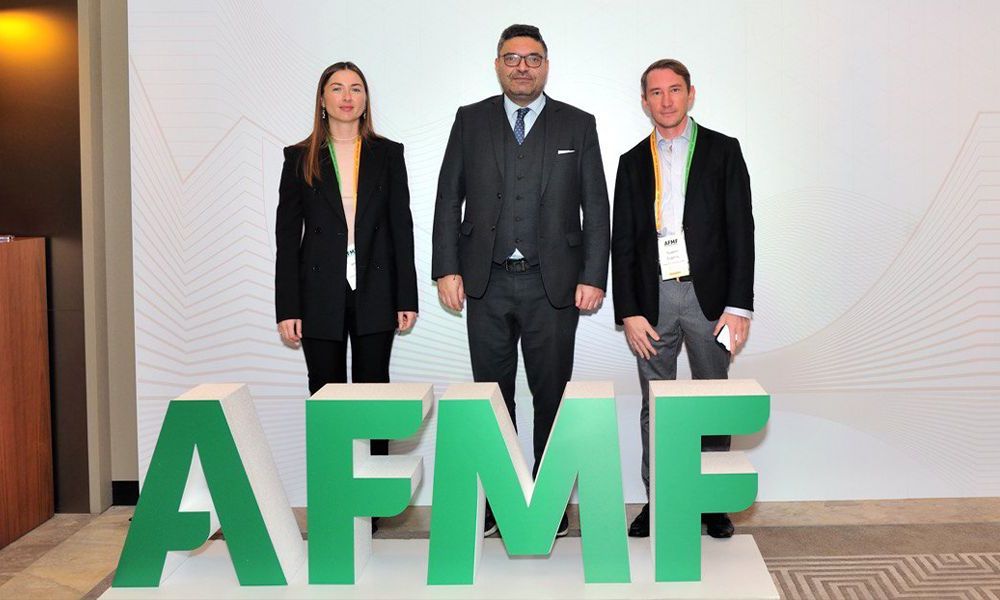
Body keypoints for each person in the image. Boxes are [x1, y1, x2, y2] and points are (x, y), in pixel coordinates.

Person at [431, 24, 610, 538]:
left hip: (553, 285)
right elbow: (448, 197)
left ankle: (549, 504)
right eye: (512, 58)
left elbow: (596, 206)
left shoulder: (577, 124)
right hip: (484, 282)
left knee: (551, 395)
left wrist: (593, 275)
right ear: (498, 65)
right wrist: (446, 267)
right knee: (493, 396)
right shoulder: (470, 120)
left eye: (532, 58)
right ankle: (501, 501)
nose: (522, 67)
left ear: (546, 65)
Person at [611, 59, 754, 539]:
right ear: (644, 101)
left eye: (674, 90)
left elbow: (741, 229)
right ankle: (660, 501)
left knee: (712, 401)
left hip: (708, 298)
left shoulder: (723, 150)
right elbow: (622, 242)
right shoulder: (632, 161)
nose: (666, 100)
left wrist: (739, 306)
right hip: (651, 299)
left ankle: (711, 501)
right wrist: (629, 311)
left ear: (691, 94)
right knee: (655, 405)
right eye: (656, 92)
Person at [275, 62, 418, 533]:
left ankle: (372, 504)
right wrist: (287, 307)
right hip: (318, 292)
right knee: (327, 395)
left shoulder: (387, 154)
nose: (347, 96)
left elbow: (401, 228)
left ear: (365, 99)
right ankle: (334, 501)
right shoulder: (299, 157)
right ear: (322, 99)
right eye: (336, 88)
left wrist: (407, 295)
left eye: (356, 88)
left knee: (374, 393)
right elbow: (286, 238)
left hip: (376, 288)